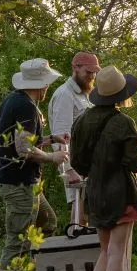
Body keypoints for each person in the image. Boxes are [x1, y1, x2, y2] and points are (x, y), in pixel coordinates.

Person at [0, 58, 69, 271]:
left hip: (23, 182)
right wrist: (53, 158)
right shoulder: (25, 105)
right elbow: (23, 150)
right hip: (19, 183)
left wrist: (51, 139)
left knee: (47, 222)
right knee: (17, 241)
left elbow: (21, 141)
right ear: (41, 83)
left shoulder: (15, 100)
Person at [71, 66, 137, 271]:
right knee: (116, 254)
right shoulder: (124, 123)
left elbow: (78, 164)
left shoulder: (81, 121)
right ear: (122, 94)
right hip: (119, 193)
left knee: (104, 252)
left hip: (95, 192)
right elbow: (133, 164)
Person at [48, 51, 100, 220]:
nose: (92, 76)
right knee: (80, 213)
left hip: (89, 164)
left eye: (94, 72)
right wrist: (68, 170)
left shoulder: (87, 94)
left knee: (89, 211)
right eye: (88, 71)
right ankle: (78, 244)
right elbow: (59, 138)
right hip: (75, 165)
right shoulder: (65, 95)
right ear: (76, 68)